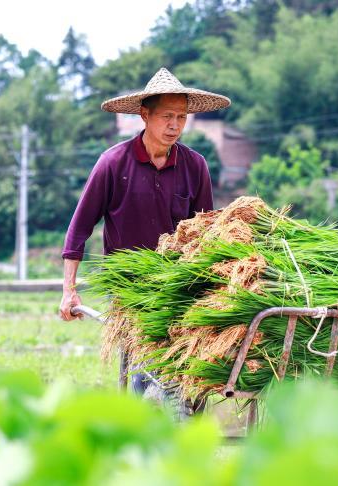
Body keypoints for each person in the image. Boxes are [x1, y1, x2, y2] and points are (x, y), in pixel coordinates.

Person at [58, 68, 230, 393]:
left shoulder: (196, 167)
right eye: (166, 116)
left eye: (181, 117)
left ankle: (172, 419)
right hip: (129, 287)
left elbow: (205, 233)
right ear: (144, 115)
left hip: (177, 286)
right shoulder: (113, 164)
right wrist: (69, 290)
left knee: (178, 370)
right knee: (142, 370)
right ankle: (148, 424)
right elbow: (79, 228)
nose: (174, 125)